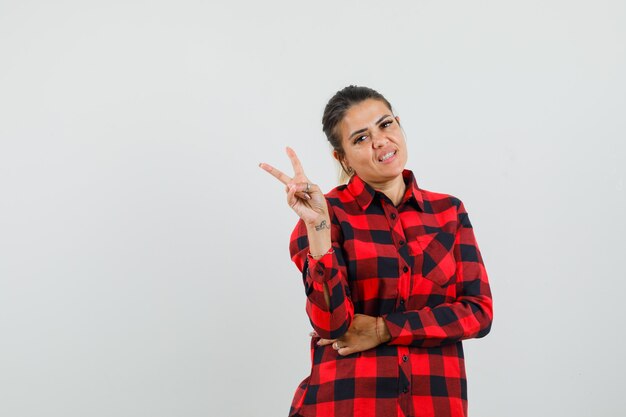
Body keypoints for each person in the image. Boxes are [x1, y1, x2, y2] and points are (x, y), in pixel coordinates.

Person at [259, 85, 493, 417]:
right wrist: (320, 230)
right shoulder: (327, 216)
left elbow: (478, 313)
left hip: (435, 405)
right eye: (361, 138)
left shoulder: (448, 213)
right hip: (348, 405)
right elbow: (332, 326)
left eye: (385, 125)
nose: (380, 141)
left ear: (398, 124)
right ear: (342, 157)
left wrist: (384, 329)